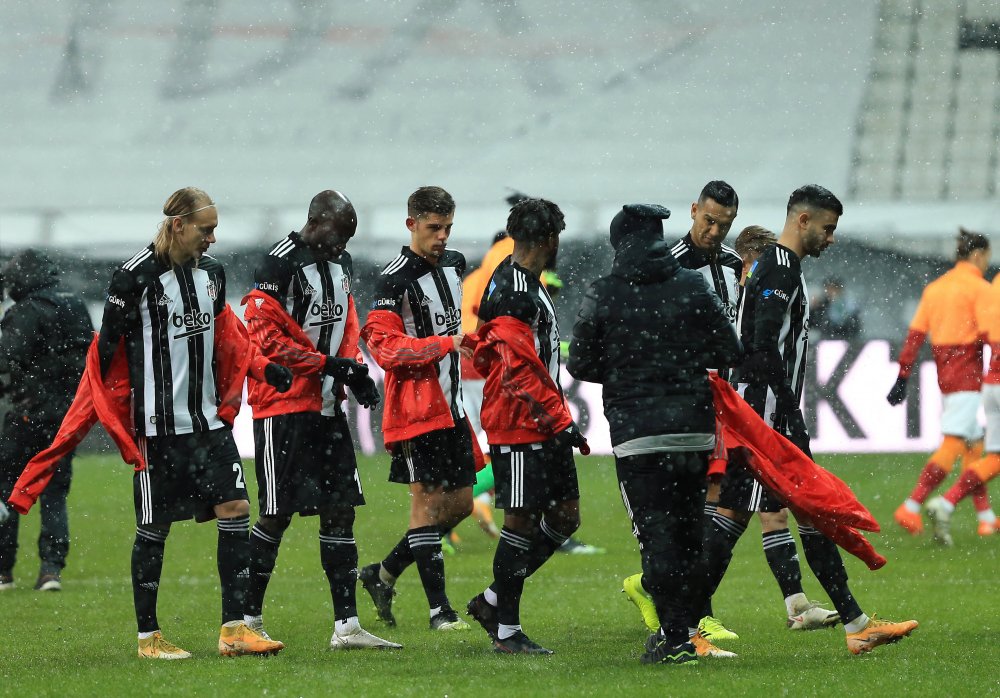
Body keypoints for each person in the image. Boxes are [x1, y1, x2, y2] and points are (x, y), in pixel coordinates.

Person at [717, 184, 917, 655]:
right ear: (802, 220)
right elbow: (761, 346)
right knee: (730, 518)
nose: (831, 239)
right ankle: (680, 622)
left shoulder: (784, 269)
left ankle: (854, 621)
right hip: (763, 417)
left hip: (766, 413)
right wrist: (788, 413)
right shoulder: (779, 269)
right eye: (827, 229)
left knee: (804, 513)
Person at [96, 187, 290, 659]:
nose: (213, 239)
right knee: (155, 526)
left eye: (216, 230)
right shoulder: (133, 277)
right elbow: (106, 354)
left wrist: (260, 367)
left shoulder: (213, 275)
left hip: (208, 424)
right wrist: (120, 417)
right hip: (158, 429)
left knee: (237, 510)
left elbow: (227, 336)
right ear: (179, 225)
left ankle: (234, 630)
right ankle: (149, 639)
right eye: (207, 230)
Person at [568, 203, 742, 665]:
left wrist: (630, 369)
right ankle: (683, 633)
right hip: (692, 429)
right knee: (688, 532)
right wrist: (679, 361)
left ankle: (675, 640)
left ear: (619, 244)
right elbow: (729, 347)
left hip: (638, 434)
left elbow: (580, 362)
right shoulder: (691, 284)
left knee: (656, 535)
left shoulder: (604, 291)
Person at [241, 190, 400, 650]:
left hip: (328, 409)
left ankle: (346, 627)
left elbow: (346, 323)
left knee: (340, 512)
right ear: (314, 221)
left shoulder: (342, 263)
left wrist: (356, 373)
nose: (341, 245)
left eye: (348, 237)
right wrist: (332, 366)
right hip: (282, 408)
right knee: (276, 514)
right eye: (337, 234)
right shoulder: (276, 265)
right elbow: (266, 339)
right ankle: (248, 620)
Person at [463, 197, 590, 655]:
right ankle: (507, 631)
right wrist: (562, 421)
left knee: (565, 515)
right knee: (520, 522)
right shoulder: (514, 292)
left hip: (540, 420)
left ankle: (493, 601)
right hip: (520, 423)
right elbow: (519, 367)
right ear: (552, 240)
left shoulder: (524, 284)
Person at [358, 186, 477, 632]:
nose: (442, 237)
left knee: (461, 504)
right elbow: (385, 349)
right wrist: (444, 343)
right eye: (433, 228)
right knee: (426, 505)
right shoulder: (394, 280)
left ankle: (382, 573)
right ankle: (440, 612)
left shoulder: (454, 265)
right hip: (416, 409)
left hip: (452, 406)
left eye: (448, 228)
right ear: (411, 225)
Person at [887, 229, 996, 536]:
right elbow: (992, 337)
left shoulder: (935, 288)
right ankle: (911, 506)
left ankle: (986, 517)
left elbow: (915, 336)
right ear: (977, 256)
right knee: (954, 443)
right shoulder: (979, 287)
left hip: (945, 375)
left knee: (973, 445)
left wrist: (902, 376)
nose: (987, 263)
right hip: (969, 375)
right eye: (987, 258)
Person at [0, 250, 92, 592]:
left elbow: (7, 358)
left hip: (28, 413)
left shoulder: (24, 311)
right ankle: (51, 570)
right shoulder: (75, 306)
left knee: (8, 488)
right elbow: (90, 357)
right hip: (67, 416)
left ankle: (4, 571)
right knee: (55, 492)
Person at [925, 264, 1000, 542]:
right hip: (984, 380)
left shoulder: (994, 285)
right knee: (968, 445)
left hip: (992, 382)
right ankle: (924, 503)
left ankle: (950, 505)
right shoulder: (983, 287)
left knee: (991, 455)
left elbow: (986, 333)